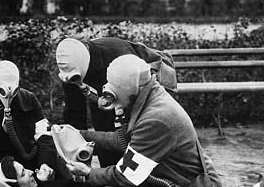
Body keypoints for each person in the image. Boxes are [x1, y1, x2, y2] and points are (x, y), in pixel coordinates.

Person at [64, 54, 231, 187]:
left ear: (127, 88)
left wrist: (88, 173)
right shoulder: (151, 98)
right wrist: (81, 134)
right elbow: (122, 141)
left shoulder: (157, 117)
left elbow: (126, 175)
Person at [55, 37, 177, 167]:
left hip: (143, 83)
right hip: (106, 90)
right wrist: (74, 149)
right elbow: (74, 113)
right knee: (102, 131)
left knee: (131, 136)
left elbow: (135, 97)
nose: (75, 82)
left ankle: (134, 173)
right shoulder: (69, 68)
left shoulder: (118, 56)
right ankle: (109, 172)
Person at [0, 60, 58, 187]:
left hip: (33, 165)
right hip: (4, 170)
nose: (8, 93)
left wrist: (46, 164)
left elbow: (44, 136)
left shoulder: (29, 99)